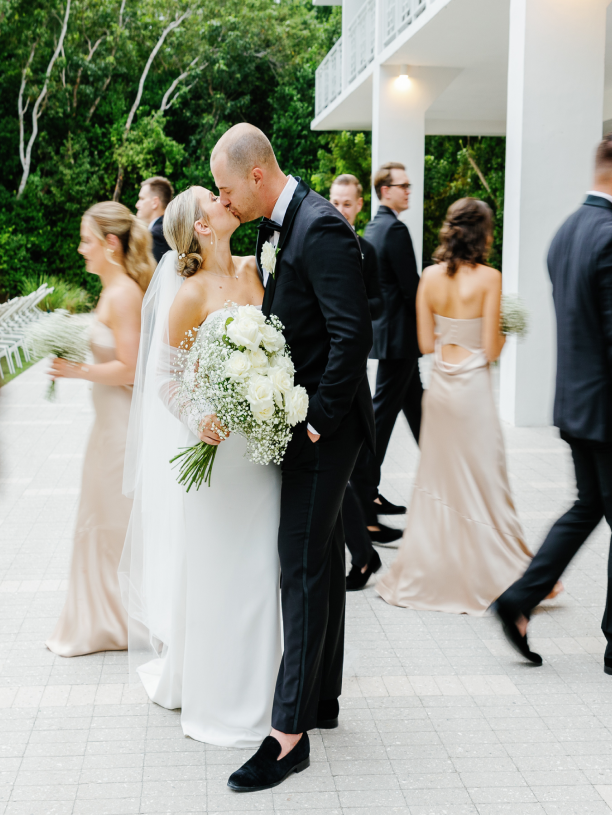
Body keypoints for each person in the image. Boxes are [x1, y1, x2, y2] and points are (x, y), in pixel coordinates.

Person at [210, 124, 374, 791]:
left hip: (322, 430)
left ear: (255, 175)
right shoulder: (276, 229)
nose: (224, 201)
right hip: (304, 422)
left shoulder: (321, 226)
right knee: (323, 560)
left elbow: (350, 332)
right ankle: (322, 701)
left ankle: (288, 736)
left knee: (300, 569)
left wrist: (317, 424)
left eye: (225, 188)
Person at [119, 187, 282, 747]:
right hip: (218, 453)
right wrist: (201, 415)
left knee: (262, 569)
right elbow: (163, 376)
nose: (220, 197)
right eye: (210, 199)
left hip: (259, 448)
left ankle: (265, 698)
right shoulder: (187, 295)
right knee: (219, 572)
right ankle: (220, 698)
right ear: (203, 227)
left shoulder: (256, 266)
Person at [376, 198, 533, 615]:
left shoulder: (428, 277)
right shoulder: (490, 278)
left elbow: (427, 345)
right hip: (474, 393)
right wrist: (504, 327)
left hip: (443, 391)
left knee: (440, 480)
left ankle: (434, 571)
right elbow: (492, 349)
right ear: (483, 235)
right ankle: (495, 573)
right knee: (485, 478)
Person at [494, 135, 612, 672]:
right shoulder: (609, 234)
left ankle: (519, 600)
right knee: (592, 507)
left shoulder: (567, 232)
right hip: (607, 411)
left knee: (589, 507)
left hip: (576, 403)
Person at [46, 202, 154, 657]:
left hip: (119, 428)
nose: (79, 248)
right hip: (106, 425)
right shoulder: (111, 291)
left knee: (113, 521)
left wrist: (77, 371)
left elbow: (129, 369)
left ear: (111, 244)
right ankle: (103, 619)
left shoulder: (124, 294)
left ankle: (118, 622)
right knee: (103, 518)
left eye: (86, 239)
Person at [351, 161, 423, 544]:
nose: (409, 190)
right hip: (400, 340)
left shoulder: (374, 227)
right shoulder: (394, 229)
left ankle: (441, 492)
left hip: (392, 339)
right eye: (403, 185)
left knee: (419, 415)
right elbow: (412, 288)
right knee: (379, 420)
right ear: (384, 190)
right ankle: (362, 498)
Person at [329, 174, 383, 591]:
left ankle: (363, 553)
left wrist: (350, 307)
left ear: (359, 206)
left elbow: (378, 304)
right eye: (335, 201)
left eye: (347, 203)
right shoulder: (318, 240)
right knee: (340, 472)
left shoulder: (368, 251)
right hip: (321, 368)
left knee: (344, 470)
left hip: (349, 366)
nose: (340, 208)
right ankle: (363, 553)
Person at [136, 176, 173, 263]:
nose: (137, 205)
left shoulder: (157, 235)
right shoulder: (169, 228)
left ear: (155, 202)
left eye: (142, 199)